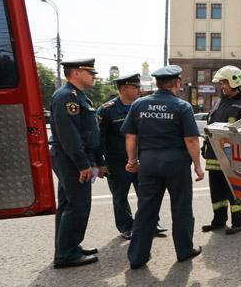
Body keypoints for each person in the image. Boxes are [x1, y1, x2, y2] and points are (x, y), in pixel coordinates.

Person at [122, 65, 204, 269]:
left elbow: (131, 136)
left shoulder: (139, 104)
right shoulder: (182, 106)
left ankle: (137, 257)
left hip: (148, 163)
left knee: (146, 209)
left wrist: (132, 161)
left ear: (157, 83)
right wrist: (198, 166)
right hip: (176, 163)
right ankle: (184, 251)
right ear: (177, 83)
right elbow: (192, 140)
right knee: (181, 207)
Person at [97, 73, 167, 240]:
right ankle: (126, 226)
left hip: (142, 159)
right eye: (135, 87)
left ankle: (150, 223)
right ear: (123, 89)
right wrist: (100, 163)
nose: (139, 90)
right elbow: (99, 139)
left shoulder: (143, 106)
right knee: (120, 196)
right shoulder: (107, 110)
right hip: (117, 161)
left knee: (147, 193)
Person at [49, 59, 103, 268]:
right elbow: (69, 135)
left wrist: (96, 161)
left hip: (73, 157)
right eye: (90, 73)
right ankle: (67, 254)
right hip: (71, 158)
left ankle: (67, 248)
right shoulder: (66, 97)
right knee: (78, 205)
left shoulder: (79, 97)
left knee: (67, 205)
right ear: (77, 73)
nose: (94, 76)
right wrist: (83, 163)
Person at [201, 65, 241, 235]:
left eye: (224, 83)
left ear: (235, 82)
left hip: (235, 159)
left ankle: (239, 221)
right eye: (221, 83)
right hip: (214, 157)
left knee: (234, 191)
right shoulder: (219, 102)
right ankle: (218, 220)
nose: (222, 86)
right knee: (217, 192)